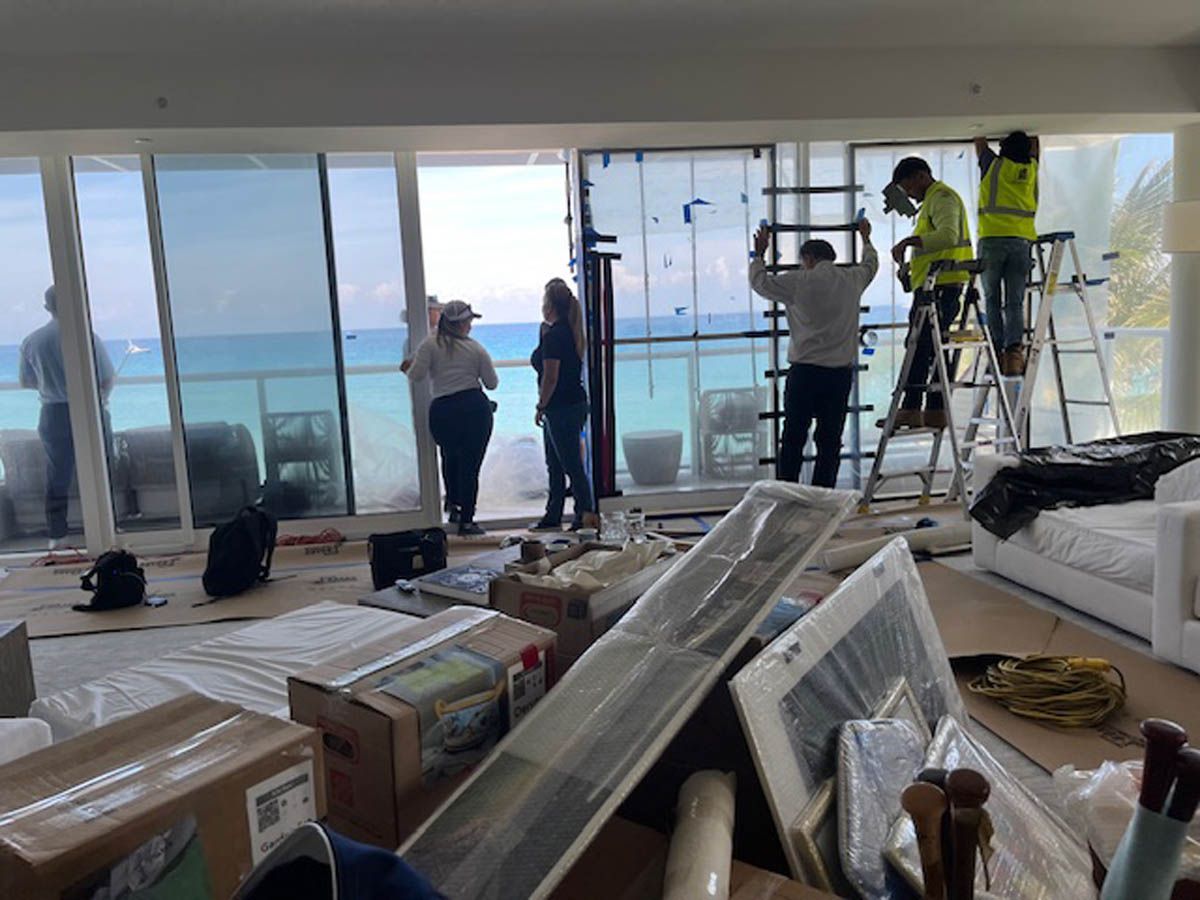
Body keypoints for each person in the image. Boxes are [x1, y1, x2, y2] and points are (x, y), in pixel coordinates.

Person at [749, 220, 879, 488]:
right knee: (830, 441)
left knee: (794, 437)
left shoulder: (799, 281)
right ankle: (823, 497)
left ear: (807, 258)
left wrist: (759, 254)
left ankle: (787, 494)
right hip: (839, 374)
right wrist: (866, 239)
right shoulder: (852, 279)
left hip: (805, 373)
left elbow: (760, 283)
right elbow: (871, 265)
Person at [19, 285, 115, 549]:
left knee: (57, 473)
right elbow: (107, 377)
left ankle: (57, 534)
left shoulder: (32, 340)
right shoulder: (87, 336)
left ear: (47, 307)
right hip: (88, 408)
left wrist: (51, 382)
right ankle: (107, 524)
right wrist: (100, 398)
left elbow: (25, 382)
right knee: (103, 466)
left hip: (53, 412)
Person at [888, 157, 974, 431]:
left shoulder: (943, 198)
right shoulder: (934, 201)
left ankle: (913, 407)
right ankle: (935, 410)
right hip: (934, 284)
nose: (909, 195)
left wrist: (909, 241)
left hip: (942, 286)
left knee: (920, 346)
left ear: (920, 177)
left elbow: (948, 236)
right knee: (933, 347)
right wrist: (913, 267)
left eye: (907, 187)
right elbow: (940, 245)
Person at [401, 300, 498, 537]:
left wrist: (406, 366)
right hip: (474, 409)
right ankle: (467, 520)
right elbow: (492, 383)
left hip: (443, 411)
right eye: (469, 322)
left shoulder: (430, 345)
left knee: (449, 458)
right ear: (463, 324)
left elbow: (416, 375)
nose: (471, 327)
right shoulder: (476, 349)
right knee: (470, 465)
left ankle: (453, 506)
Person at [529, 278, 596, 531]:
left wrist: (541, 405)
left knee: (570, 465)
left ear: (549, 304)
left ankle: (585, 515)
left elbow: (551, 376)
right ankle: (553, 515)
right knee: (555, 464)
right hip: (569, 405)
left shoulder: (557, 336)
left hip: (561, 407)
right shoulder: (565, 331)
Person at [975, 131, 1039, 376]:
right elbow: (1034, 146)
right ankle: (1014, 353)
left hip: (992, 240)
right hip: (1021, 242)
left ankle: (996, 350)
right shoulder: (1032, 168)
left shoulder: (994, 165)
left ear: (1003, 149)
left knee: (992, 298)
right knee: (1015, 301)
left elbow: (979, 141)